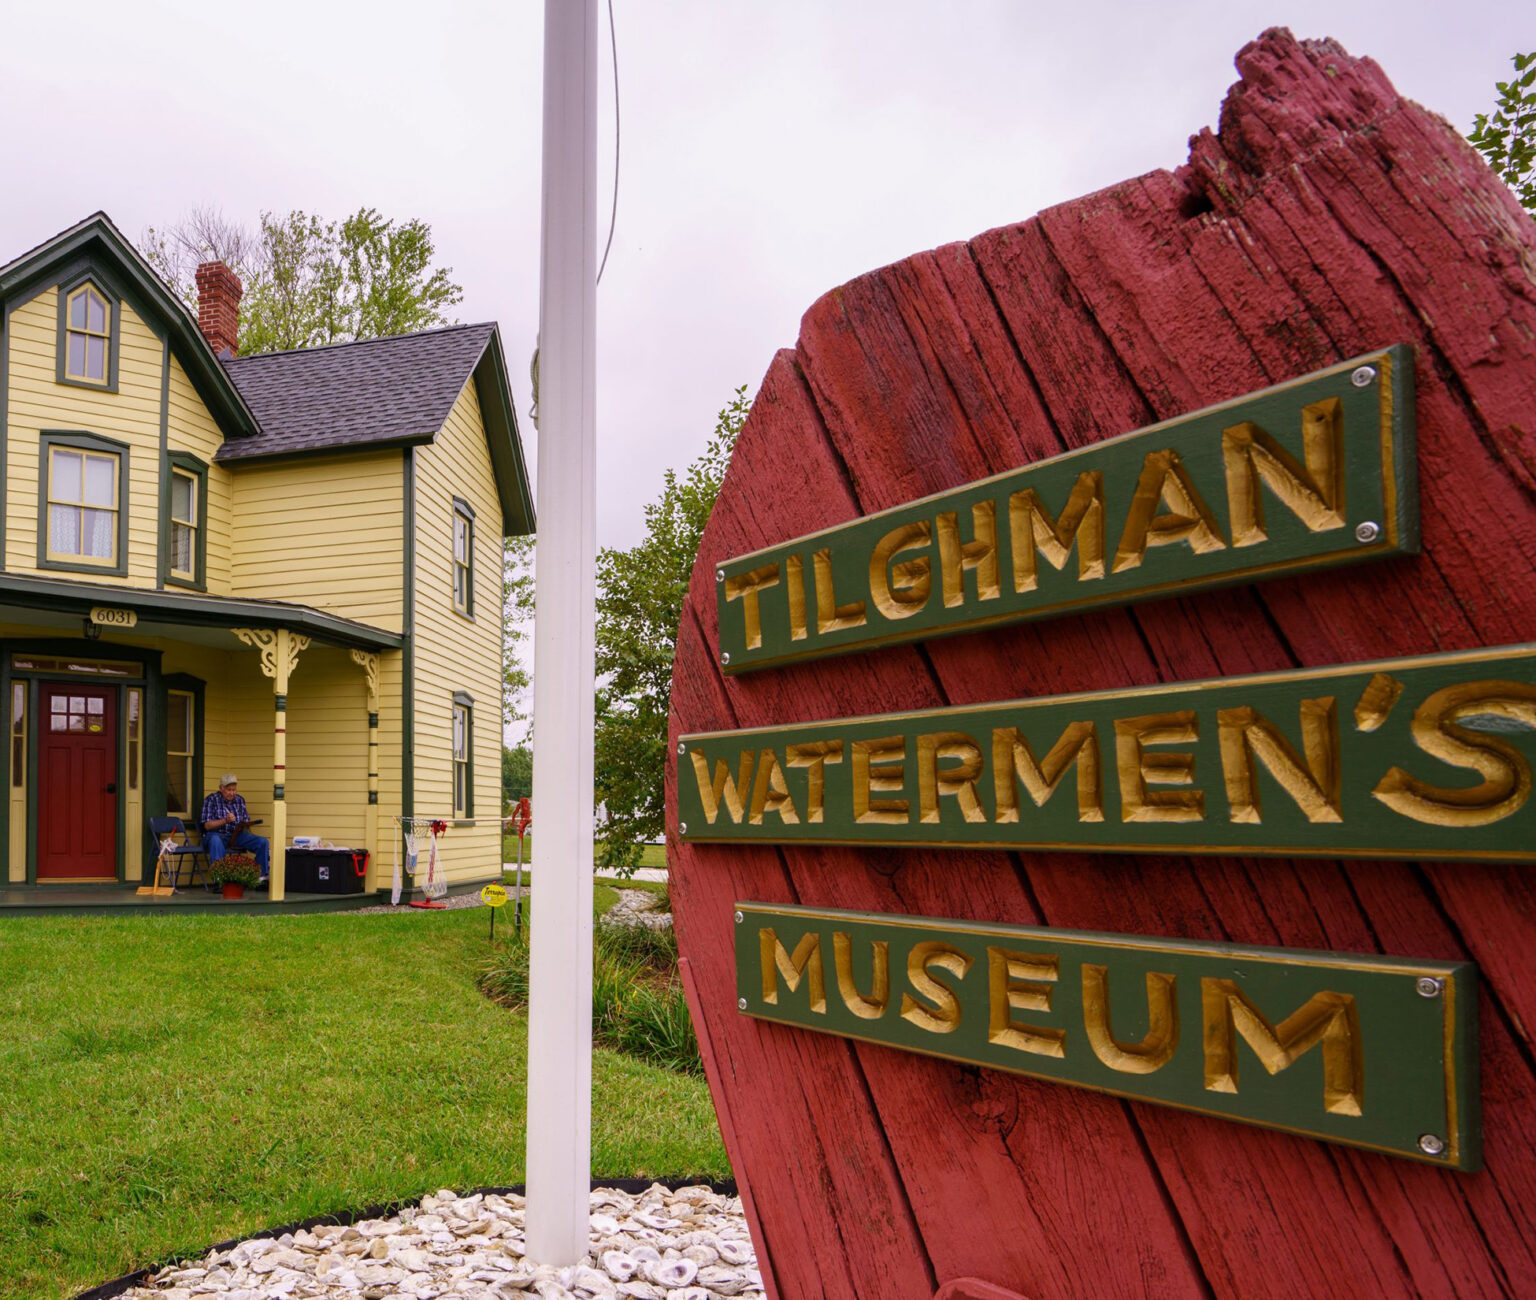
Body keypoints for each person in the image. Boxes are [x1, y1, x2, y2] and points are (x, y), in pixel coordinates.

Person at [201, 774, 271, 884]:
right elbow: (207, 825)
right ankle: (219, 879)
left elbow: (245, 820)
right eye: (229, 790)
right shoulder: (211, 800)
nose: (232, 793)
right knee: (215, 841)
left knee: (262, 842)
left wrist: (246, 824)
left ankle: (261, 878)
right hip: (217, 834)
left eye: (234, 790)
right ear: (221, 788)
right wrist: (225, 820)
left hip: (237, 834)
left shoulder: (240, 800)